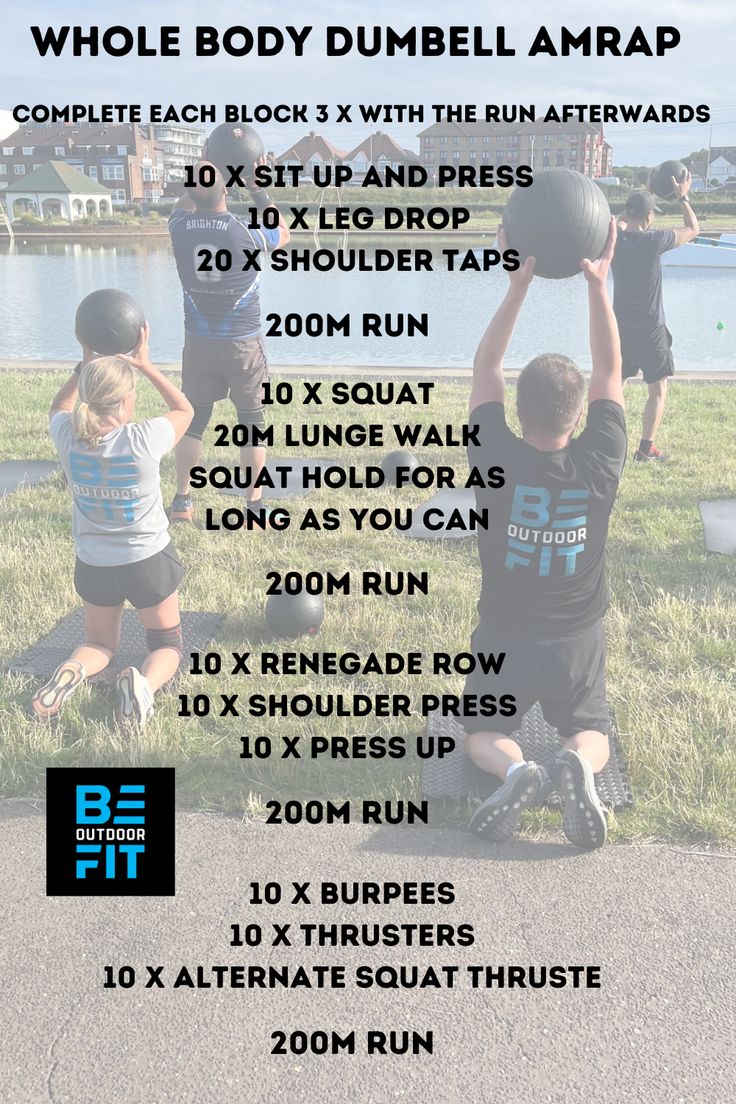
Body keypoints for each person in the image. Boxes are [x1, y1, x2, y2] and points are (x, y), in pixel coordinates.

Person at [463, 220, 626, 850]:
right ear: (580, 415)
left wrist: (516, 287)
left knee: (480, 736)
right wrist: (598, 286)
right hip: (575, 638)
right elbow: (610, 369)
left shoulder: (493, 455)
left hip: (504, 633)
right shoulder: (600, 459)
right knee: (591, 734)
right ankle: (576, 767)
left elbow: (486, 365)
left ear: (517, 411)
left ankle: (516, 771)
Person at [32, 326, 193, 728]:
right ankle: (143, 685)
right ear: (125, 401)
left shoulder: (67, 435)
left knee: (99, 644)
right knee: (167, 644)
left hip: (94, 564)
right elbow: (186, 411)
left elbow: (58, 407)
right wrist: (146, 365)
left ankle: (71, 670)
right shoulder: (144, 438)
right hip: (146, 563)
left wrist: (83, 366)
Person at [167, 159, 290, 523]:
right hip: (243, 346)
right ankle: (253, 508)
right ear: (226, 189)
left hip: (199, 344)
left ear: (189, 192)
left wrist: (199, 180)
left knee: (195, 421)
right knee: (251, 422)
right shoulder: (244, 233)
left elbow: (185, 204)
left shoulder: (178, 226)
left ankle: (182, 503)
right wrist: (257, 189)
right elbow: (283, 232)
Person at [611, 171, 699, 461]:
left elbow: (614, 221)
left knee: (614, 387)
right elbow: (693, 228)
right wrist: (682, 196)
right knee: (657, 391)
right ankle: (645, 450)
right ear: (649, 217)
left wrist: (633, 205)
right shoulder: (655, 240)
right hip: (651, 329)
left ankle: (611, 444)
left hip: (620, 328)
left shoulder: (614, 240)